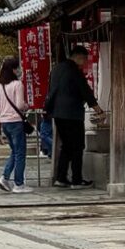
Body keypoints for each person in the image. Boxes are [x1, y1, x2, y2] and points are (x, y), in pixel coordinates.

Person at [46, 44, 103, 189]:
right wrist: (98, 110)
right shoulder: (74, 71)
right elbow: (85, 91)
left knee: (66, 146)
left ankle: (61, 178)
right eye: (84, 59)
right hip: (72, 114)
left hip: (57, 113)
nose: (85, 63)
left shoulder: (56, 69)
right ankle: (77, 180)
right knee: (78, 146)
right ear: (79, 57)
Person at [0, 57, 32, 194]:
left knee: (14, 152)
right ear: (13, 70)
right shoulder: (17, 84)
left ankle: (4, 177)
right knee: (20, 153)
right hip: (16, 121)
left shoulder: (0, 86)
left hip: (4, 122)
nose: (19, 70)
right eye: (17, 68)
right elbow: (20, 105)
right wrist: (27, 106)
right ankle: (18, 184)